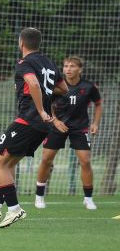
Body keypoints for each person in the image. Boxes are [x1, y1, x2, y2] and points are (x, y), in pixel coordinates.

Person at [0, 28, 68, 228]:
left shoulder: (25, 63)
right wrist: (45, 94)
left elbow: (32, 82)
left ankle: (15, 209)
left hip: (29, 120)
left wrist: (41, 109)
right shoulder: (49, 63)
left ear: (21, 43)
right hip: (40, 126)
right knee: (7, 164)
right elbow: (64, 89)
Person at [35, 56, 102, 210]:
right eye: (65, 66)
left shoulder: (89, 86)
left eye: (72, 66)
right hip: (57, 126)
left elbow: (98, 105)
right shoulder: (56, 86)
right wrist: (55, 121)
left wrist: (95, 123)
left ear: (80, 69)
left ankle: (88, 198)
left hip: (80, 128)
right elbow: (48, 104)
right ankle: (39, 197)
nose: (68, 69)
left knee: (85, 161)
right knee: (46, 159)